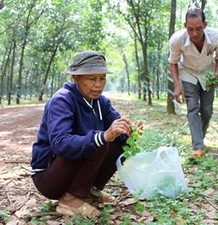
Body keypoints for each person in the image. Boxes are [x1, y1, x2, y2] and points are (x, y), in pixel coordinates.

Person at [30, 50, 143, 217]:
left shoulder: (101, 102)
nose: (98, 85)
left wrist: (130, 131)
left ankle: (89, 190)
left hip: (71, 169)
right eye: (92, 79)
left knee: (119, 143)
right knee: (100, 139)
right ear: (77, 78)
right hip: (49, 178)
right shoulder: (62, 100)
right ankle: (70, 199)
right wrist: (102, 136)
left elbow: (116, 129)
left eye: (102, 78)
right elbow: (61, 144)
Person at [168, 8, 218, 158]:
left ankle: (198, 139)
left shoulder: (216, 36)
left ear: (205, 24)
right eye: (190, 29)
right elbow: (173, 62)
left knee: (207, 111)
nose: (194, 33)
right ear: (185, 26)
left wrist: (215, 75)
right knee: (193, 107)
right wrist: (177, 85)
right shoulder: (177, 40)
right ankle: (198, 147)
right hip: (187, 73)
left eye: (198, 28)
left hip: (208, 73)